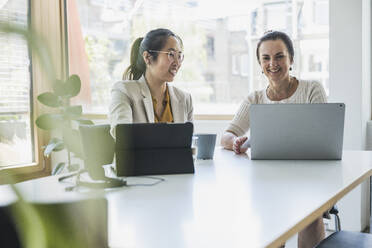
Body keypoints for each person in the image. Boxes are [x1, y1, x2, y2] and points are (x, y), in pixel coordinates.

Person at [221, 31, 327, 248]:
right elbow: (227, 134)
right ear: (260, 64)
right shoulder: (255, 98)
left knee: (309, 214)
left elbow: (322, 135)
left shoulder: (311, 89)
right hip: (266, 182)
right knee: (267, 217)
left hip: (307, 177)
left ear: (291, 59)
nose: (273, 63)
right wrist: (235, 142)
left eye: (279, 56)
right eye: (266, 58)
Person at [109, 28, 193, 137]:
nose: (177, 63)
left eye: (179, 56)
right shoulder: (124, 91)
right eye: (171, 54)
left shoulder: (185, 99)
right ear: (148, 57)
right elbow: (122, 134)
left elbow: (189, 144)